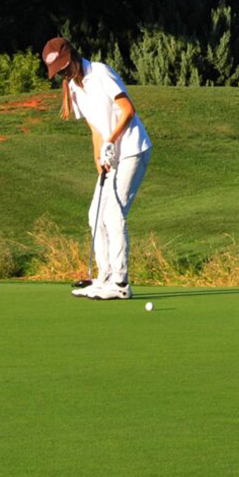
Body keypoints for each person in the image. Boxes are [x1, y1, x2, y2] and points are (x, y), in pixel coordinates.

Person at [43, 36, 151, 300]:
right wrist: (98, 160)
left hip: (132, 150)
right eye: (60, 72)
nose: (65, 74)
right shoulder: (73, 88)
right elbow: (94, 128)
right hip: (110, 157)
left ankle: (120, 282)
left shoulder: (100, 72)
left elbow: (127, 109)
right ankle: (104, 277)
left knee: (114, 213)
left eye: (66, 67)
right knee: (95, 214)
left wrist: (112, 141)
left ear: (74, 56)